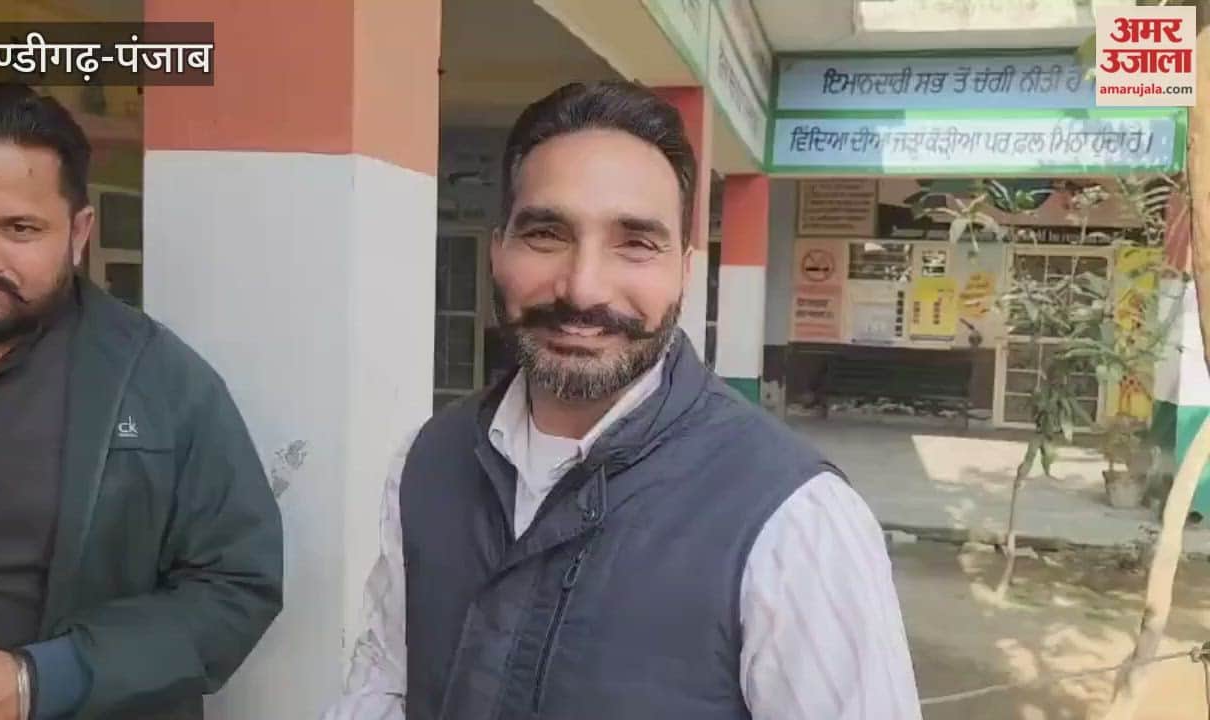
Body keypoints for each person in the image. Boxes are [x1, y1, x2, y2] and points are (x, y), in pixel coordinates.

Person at [324, 81, 922, 720]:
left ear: (686, 270)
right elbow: (385, 682)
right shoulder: (427, 462)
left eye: (635, 243)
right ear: (498, 249)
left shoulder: (796, 520)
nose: (583, 288)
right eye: (547, 234)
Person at [0, 83, 283, 719]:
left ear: (78, 232)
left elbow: (235, 589)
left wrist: (36, 681)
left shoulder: (161, 385)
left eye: (19, 228)